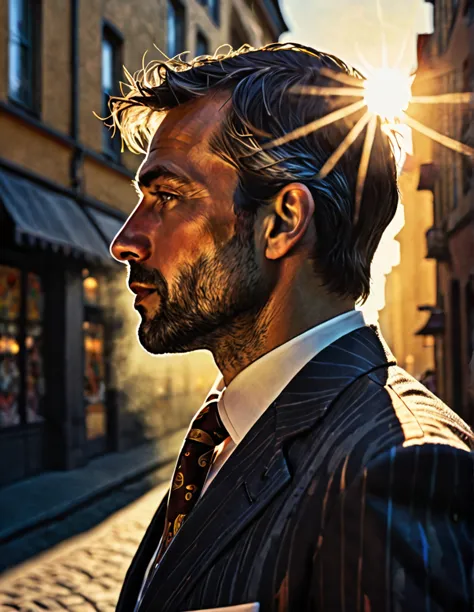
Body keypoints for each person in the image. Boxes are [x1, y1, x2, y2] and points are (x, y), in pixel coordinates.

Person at [108, 43, 473, 612]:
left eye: (168, 196)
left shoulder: (389, 469)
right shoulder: (232, 429)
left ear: (281, 222)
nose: (125, 240)